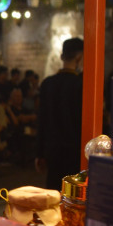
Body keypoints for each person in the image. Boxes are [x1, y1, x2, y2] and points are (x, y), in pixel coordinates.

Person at [36, 37, 84, 190]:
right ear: (79, 57)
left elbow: (41, 120)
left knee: (53, 196)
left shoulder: (47, 83)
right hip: (75, 152)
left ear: (62, 56)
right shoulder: (81, 84)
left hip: (53, 151)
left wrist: (39, 153)